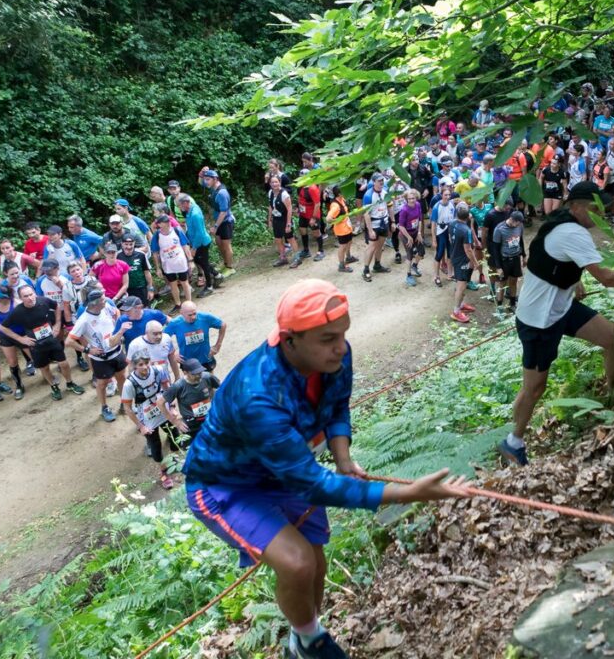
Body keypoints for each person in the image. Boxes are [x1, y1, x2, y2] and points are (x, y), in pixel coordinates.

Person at [182, 280, 469, 659]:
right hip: (226, 485)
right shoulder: (258, 395)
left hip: (284, 467)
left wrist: (343, 457)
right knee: (297, 563)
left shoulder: (333, 356)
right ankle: (309, 640)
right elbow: (312, 485)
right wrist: (407, 493)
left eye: (343, 334)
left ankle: (303, 637)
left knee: (315, 562)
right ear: (289, 340)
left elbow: (337, 406)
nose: (341, 346)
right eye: (328, 338)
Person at [498, 183, 614, 466]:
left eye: (603, 208)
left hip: (561, 307)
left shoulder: (560, 223)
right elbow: (609, 278)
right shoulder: (570, 231)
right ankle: (513, 441)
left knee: (613, 338)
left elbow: (551, 257)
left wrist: (576, 280)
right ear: (575, 205)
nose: (600, 213)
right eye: (594, 207)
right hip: (538, 320)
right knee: (535, 387)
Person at [0, 284, 86, 401]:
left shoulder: (43, 301)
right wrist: (21, 339)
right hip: (36, 344)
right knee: (44, 368)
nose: (30, 298)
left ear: (34, 293)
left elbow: (56, 306)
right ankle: (54, 387)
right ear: (20, 298)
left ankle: (70, 383)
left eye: (31, 294)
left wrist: (57, 324)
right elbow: (3, 328)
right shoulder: (18, 311)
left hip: (51, 338)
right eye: (25, 296)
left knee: (64, 363)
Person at [119, 349, 178, 490]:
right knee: (155, 446)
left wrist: (172, 407)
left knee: (175, 437)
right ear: (134, 366)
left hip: (163, 409)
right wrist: (141, 426)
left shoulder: (158, 370)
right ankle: (163, 472)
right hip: (147, 417)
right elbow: (127, 407)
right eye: (140, 364)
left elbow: (167, 387)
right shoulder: (129, 384)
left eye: (146, 363)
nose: (145, 367)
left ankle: (175, 461)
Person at [66, 289, 126, 423]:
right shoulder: (84, 320)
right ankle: (104, 407)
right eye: (103, 299)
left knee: (122, 377)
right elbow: (68, 341)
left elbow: (116, 313)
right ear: (94, 303)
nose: (106, 300)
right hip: (101, 358)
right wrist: (87, 350)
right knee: (102, 383)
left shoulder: (106, 308)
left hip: (117, 351)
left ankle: (124, 403)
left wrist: (117, 329)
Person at [162, 357, 218, 445]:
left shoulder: (207, 377)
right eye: (194, 374)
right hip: (191, 425)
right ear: (185, 372)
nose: (199, 375)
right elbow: (160, 403)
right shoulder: (178, 386)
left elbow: (222, 389)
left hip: (210, 419)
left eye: (200, 372)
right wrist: (175, 422)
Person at [176, 193, 220, 298]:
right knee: (200, 261)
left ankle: (209, 287)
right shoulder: (190, 210)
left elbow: (200, 233)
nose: (180, 208)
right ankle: (217, 275)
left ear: (186, 203)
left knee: (203, 264)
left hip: (201, 242)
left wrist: (194, 248)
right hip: (195, 241)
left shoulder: (195, 214)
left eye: (180, 205)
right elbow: (191, 228)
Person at [164, 302, 226, 373]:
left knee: (209, 381)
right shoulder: (175, 323)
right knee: (191, 383)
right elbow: (163, 339)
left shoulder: (205, 318)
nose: (193, 317)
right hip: (187, 361)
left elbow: (223, 325)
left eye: (194, 313)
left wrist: (218, 345)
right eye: (190, 315)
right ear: (181, 313)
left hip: (205, 358)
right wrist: (174, 353)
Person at [150, 215, 195, 309]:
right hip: (167, 265)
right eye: (162, 223)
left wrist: (190, 260)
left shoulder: (177, 231)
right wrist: (158, 268)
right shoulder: (157, 235)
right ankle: (178, 304)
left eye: (167, 222)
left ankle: (189, 303)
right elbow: (155, 252)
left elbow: (185, 246)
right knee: (173, 284)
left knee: (184, 282)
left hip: (180, 262)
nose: (167, 224)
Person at [199, 169, 236, 276]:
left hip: (226, 222)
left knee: (226, 245)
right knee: (219, 243)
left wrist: (215, 226)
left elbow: (224, 212)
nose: (206, 182)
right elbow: (201, 182)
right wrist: (200, 174)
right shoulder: (213, 187)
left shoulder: (222, 193)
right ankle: (225, 263)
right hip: (219, 222)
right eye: (205, 179)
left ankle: (230, 268)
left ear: (215, 179)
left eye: (208, 179)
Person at [447, 206, 478, 324]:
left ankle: (462, 304)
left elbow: (450, 238)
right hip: (462, 260)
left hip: (454, 256)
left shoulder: (452, 223)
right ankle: (456, 312)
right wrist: (475, 262)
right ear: (468, 216)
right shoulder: (466, 230)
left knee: (462, 283)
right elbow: (468, 249)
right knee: (461, 285)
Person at [491, 211, 527, 310]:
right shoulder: (499, 229)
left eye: (519, 223)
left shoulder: (519, 226)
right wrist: (498, 267)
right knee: (502, 282)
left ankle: (512, 304)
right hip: (504, 260)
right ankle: (499, 306)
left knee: (514, 281)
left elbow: (521, 241)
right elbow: (495, 249)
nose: (518, 225)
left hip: (515, 258)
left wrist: (523, 256)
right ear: (511, 219)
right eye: (517, 223)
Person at [360, 174, 392, 282]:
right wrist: (370, 230)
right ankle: (365, 269)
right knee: (371, 247)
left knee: (380, 245)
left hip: (384, 222)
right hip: (374, 224)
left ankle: (377, 265)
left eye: (382, 180)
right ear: (374, 182)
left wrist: (393, 221)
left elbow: (390, 206)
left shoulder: (385, 192)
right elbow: (366, 214)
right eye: (379, 181)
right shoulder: (368, 195)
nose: (382, 182)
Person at [292, 176, 325, 266]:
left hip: (312, 214)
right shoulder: (300, 187)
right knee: (302, 230)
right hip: (303, 214)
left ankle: (321, 251)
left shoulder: (313, 188)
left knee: (316, 233)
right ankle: (306, 250)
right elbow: (300, 199)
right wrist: (297, 209)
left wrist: (314, 218)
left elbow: (317, 204)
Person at [396, 189, 425, 286]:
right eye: (409, 199)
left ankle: (415, 266)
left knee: (421, 252)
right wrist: (409, 237)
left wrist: (419, 233)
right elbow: (401, 226)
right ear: (406, 199)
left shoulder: (418, 205)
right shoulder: (404, 210)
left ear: (416, 197)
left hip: (415, 232)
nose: (412, 200)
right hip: (405, 234)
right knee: (410, 254)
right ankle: (408, 275)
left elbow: (420, 220)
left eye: (413, 198)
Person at [324, 185, 355, 274]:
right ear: (339, 193)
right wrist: (337, 220)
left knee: (349, 241)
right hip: (341, 230)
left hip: (347, 227)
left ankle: (348, 257)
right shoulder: (335, 206)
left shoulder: (342, 199)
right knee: (343, 246)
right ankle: (341, 265)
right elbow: (328, 218)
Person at [430, 186, 457, 287]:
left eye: (449, 194)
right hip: (440, 231)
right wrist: (433, 239)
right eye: (445, 195)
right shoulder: (437, 207)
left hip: (449, 230)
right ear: (441, 195)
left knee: (450, 253)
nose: (448, 196)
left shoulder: (451, 205)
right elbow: (433, 224)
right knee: (440, 253)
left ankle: (450, 274)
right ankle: (436, 276)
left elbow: (454, 219)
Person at [118, 235, 155, 306]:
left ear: (134, 243)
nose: (128, 247)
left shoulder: (141, 255)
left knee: (144, 308)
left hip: (141, 288)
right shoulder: (118, 256)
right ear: (122, 244)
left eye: (131, 244)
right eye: (126, 244)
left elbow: (147, 272)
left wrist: (150, 289)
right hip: (126, 290)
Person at [268, 175, 295, 268]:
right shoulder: (270, 192)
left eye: (276, 182)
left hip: (285, 218)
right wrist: (270, 219)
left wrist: (288, 223)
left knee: (290, 238)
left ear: (280, 182)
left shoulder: (284, 194)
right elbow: (271, 207)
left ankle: (297, 258)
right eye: (272, 182)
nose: (274, 184)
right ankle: (283, 258)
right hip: (276, 219)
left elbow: (289, 208)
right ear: (270, 183)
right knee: (278, 239)